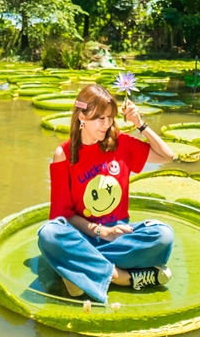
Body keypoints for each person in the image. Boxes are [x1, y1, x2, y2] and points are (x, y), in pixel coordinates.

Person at [37, 84, 176, 303]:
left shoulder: (121, 144)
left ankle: (79, 270)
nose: (106, 124)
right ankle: (121, 277)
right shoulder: (63, 154)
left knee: (163, 235)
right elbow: (61, 217)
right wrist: (101, 231)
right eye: (99, 118)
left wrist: (140, 124)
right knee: (49, 234)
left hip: (120, 238)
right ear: (81, 115)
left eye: (110, 117)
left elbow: (167, 156)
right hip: (83, 237)